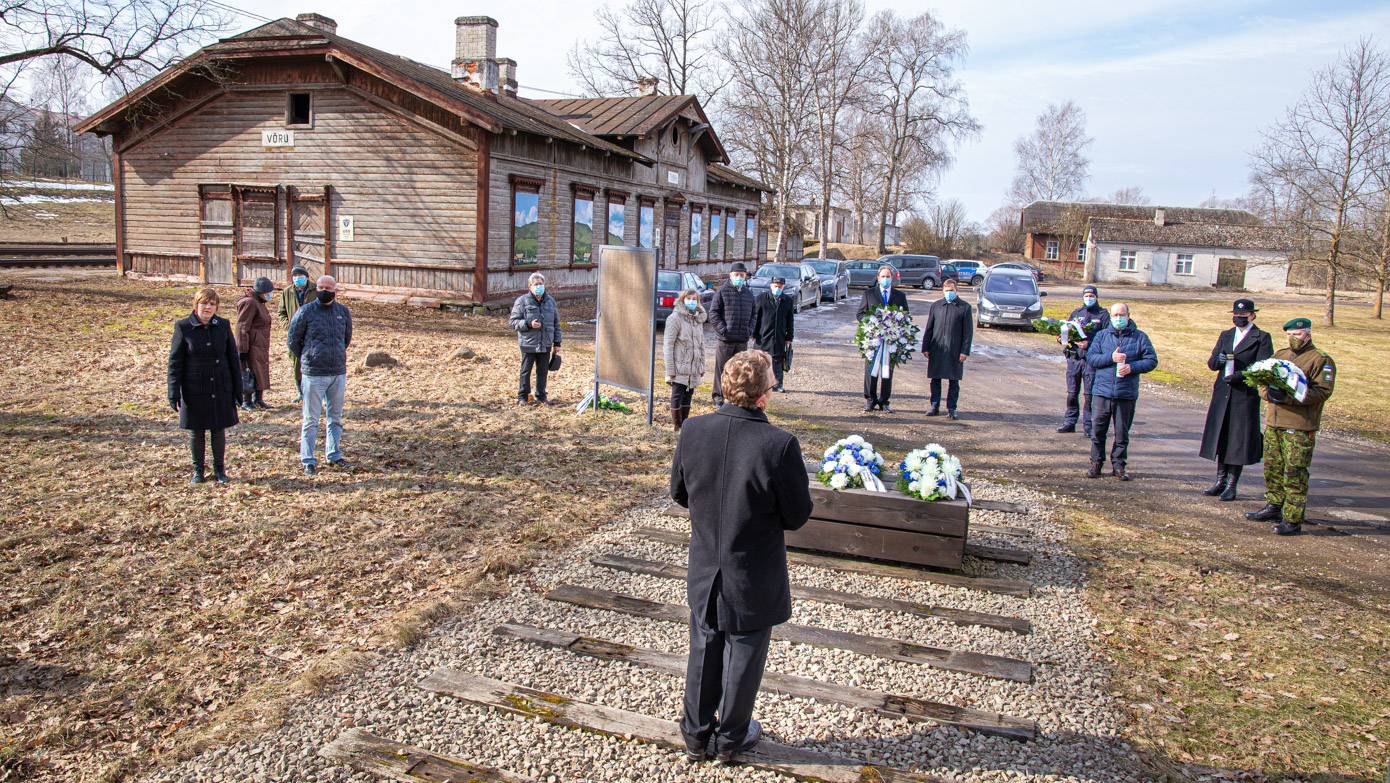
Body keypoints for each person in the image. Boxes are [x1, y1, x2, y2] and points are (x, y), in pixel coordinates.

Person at [670, 349, 813, 764]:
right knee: (744, 653)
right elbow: (797, 515)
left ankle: (695, 735)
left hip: (706, 564)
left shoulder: (693, 430)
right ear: (764, 396)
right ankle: (732, 737)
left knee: (704, 646)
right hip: (752, 570)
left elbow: (679, 492)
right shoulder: (780, 445)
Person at [1245, 318, 1336, 536]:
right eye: (1289, 335)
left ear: (1308, 334)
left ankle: (1293, 518)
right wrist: (1269, 394)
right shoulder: (1280, 356)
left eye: (1297, 335)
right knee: (1272, 468)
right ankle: (1274, 506)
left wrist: (1289, 397)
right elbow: (1262, 383)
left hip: (1299, 425)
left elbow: (1322, 392)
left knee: (1294, 471)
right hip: (1274, 422)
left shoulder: (1321, 360)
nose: (1292, 338)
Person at [1198, 299, 1274, 501]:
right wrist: (1219, 360)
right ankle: (1219, 481)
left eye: (1243, 316)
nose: (1238, 319)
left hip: (1243, 395)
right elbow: (1212, 363)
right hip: (1222, 392)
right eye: (1236, 315)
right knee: (1222, 436)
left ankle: (1232, 485)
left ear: (1252, 316)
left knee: (1237, 439)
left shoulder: (1262, 337)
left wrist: (1240, 376)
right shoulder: (1226, 335)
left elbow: (1263, 367)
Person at [168, 288, 241, 484]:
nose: (207, 307)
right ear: (196, 305)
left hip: (220, 385)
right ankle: (198, 471)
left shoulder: (223, 325)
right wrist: (173, 392)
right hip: (194, 388)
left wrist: (237, 390)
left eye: (212, 304)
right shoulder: (183, 327)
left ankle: (220, 470)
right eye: (204, 303)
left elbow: (233, 359)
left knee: (218, 430)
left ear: (216, 306)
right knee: (197, 431)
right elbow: (175, 362)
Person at [287, 275, 353, 476]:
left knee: (335, 418)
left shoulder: (343, 312)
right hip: (314, 373)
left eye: (328, 287)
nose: (324, 290)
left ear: (335, 290)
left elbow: (346, 338)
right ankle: (308, 459)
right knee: (311, 419)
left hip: (337, 373)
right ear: (316, 288)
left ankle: (333, 454)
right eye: (321, 287)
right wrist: (310, 357)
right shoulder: (305, 311)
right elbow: (293, 340)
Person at [1085, 302, 1158, 480]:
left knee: (1122, 433)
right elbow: (1091, 358)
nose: (1119, 318)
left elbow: (1151, 360)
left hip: (1126, 394)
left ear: (1128, 315)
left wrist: (1132, 367)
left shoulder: (1140, 338)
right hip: (1103, 391)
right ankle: (1096, 463)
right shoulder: (1101, 336)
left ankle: (1119, 465)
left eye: (1122, 314)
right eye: (1115, 315)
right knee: (1098, 431)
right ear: (1110, 317)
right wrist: (1111, 357)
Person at [1057, 285, 1111, 435]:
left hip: (1091, 360)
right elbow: (1068, 330)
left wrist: (1090, 344)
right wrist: (1062, 338)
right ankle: (1069, 422)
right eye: (1086, 296)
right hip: (1074, 359)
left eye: (1091, 296)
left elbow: (1107, 339)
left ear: (1096, 297)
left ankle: (1089, 426)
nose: (1088, 298)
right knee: (1072, 393)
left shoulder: (1103, 315)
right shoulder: (1076, 313)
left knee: (1089, 395)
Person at [856, 264, 909, 412]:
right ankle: (870, 399)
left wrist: (898, 329)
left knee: (887, 369)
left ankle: (884, 401)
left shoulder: (900, 296)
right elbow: (860, 314)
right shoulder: (869, 294)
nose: (885, 279)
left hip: (891, 340)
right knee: (871, 370)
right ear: (878, 278)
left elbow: (906, 316)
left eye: (888, 276)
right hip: (874, 340)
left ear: (892, 278)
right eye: (883, 276)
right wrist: (870, 324)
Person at [921, 278, 973, 419]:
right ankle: (934, 405)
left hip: (954, 350)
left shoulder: (964, 307)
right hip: (937, 348)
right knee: (935, 379)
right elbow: (929, 328)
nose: (949, 293)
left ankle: (952, 408)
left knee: (953, 380)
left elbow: (968, 332)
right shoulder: (936, 306)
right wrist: (925, 347)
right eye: (946, 290)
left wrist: (965, 351)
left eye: (951, 290)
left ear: (956, 290)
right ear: (943, 291)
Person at [508, 272, 562, 406]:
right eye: (536, 284)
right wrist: (528, 324)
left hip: (545, 342)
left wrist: (557, 342)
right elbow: (513, 322)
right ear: (530, 286)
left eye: (540, 284)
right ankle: (523, 397)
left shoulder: (550, 301)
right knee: (526, 371)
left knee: (543, 371)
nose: (538, 286)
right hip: (528, 343)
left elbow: (556, 323)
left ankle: (541, 396)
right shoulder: (522, 301)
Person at [708, 262, 754, 407]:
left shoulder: (748, 293)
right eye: (736, 275)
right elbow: (713, 313)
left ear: (745, 276)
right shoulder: (722, 291)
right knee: (722, 369)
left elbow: (754, 314)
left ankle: (735, 397)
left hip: (741, 339)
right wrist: (723, 329)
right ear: (730, 275)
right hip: (725, 339)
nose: (739, 278)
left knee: (740, 370)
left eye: (742, 275)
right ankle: (718, 397)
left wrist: (749, 330)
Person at [663, 287, 707, 432]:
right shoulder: (674, 318)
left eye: (694, 299)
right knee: (677, 393)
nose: (691, 301)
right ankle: (677, 425)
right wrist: (670, 369)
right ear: (683, 299)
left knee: (689, 394)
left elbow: (701, 345)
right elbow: (668, 345)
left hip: (693, 366)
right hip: (679, 365)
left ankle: (685, 424)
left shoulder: (697, 319)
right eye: (689, 298)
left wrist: (702, 366)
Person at [277, 265, 316, 403]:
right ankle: (300, 392)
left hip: (312, 334)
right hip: (294, 335)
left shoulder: (315, 290)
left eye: (300, 275)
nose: (297, 278)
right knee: (296, 363)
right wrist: (289, 328)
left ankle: (315, 392)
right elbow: (281, 313)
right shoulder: (287, 292)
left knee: (314, 361)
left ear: (306, 277)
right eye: (294, 276)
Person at [236, 277, 275, 411]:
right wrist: (242, 349)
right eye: (268, 292)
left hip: (260, 344)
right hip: (251, 345)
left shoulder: (259, 302)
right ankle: (246, 402)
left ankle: (258, 399)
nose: (270, 295)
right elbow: (242, 326)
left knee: (260, 370)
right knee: (249, 372)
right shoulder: (249, 303)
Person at [750, 276, 794, 392]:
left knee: (777, 360)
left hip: (779, 336)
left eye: (780, 286)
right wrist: (753, 333)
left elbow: (790, 320)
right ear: (771, 286)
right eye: (775, 286)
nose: (777, 288)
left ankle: (778, 384)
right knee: (760, 361)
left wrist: (789, 336)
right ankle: (759, 384)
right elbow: (756, 317)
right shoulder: (762, 298)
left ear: (783, 287)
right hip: (763, 335)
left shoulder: (787, 300)